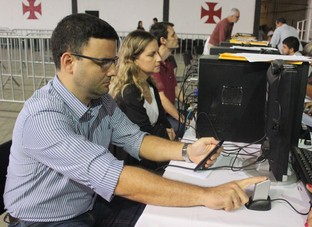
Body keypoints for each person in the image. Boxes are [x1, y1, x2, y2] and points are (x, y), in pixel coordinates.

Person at [3, 13, 266, 226]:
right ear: (69, 62)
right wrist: (208, 194)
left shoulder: (99, 99)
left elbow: (135, 139)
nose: (114, 70)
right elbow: (114, 177)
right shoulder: (44, 117)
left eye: (114, 61)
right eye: (104, 62)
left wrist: (187, 151)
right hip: (44, 221)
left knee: (175, 214)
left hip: (90, 205)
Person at [109, 30, 175, 170]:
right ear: (133, 59)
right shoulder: (129, 92)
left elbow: (163, 121)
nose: (159, 59)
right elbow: (143, 136)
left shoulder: (150, 85)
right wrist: (163, 132)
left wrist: (164, 130)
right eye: (152, 54)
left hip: (152, 156)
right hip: (135, 164)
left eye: (158, 52)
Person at [150, 22, 186, 139]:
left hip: (170, 113)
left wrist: (189, 104)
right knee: (186, 128)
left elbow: (175, 88)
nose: (177, 38)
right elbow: (162, 99)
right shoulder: (155, 65)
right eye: (173, 35)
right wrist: (180, 117)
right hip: (162, 119)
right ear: (163, 40)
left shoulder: (169, 60)